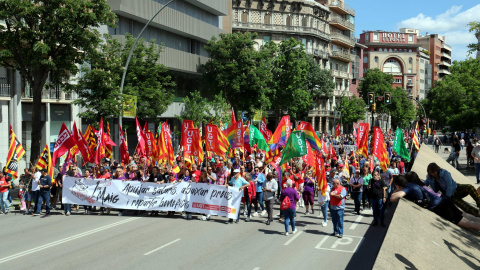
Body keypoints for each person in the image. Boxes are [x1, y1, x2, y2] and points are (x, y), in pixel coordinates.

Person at [391, 174, 480, 231]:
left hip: (441, 206)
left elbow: (393, 198)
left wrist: (396, 190)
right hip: (443, 200)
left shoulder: (409, 187)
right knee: (467, 217)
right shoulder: (415, 185)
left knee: (467, 223)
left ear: (398, 185)